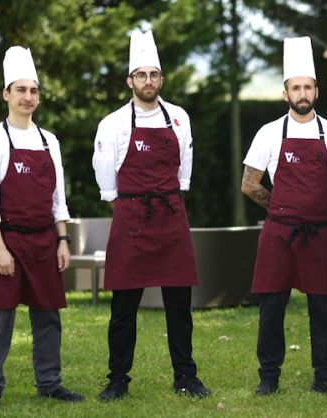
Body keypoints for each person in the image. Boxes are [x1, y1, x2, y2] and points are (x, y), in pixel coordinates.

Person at [92, 30, 209, 401]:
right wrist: (130, 209)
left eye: (154, 75)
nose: (148, 82)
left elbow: (184, 171)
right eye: (141, 75)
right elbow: (106, 180)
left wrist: (164, 202)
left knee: (180, 306)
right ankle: (117, 379)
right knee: (123, 307)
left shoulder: (178, 118)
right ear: (130, 80)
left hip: (171, 214)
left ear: (161, 78)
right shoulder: (112, 124)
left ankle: (186, 375)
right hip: (130, 218)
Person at [0, 46, 84, 411]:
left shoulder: (49, 141)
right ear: (6, 94)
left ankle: (50, 383)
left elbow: (58, 200)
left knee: (48, 317)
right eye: (20, 90)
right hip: (9, 241)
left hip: (45, 241)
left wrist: (63, 240)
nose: (28, 97)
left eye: (33, 90)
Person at [241, 36, 327, 396]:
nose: (302, 93)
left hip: (318, 232)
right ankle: (268, 376)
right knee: (272, 306)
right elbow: (249, 183)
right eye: (295, 88)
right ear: (285, 93)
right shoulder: (270, 133)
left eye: (307, 87)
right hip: (279, 234)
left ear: (316, 91)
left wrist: (316, 209)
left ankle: (324, 376)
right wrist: (283, 210)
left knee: (322, 307)